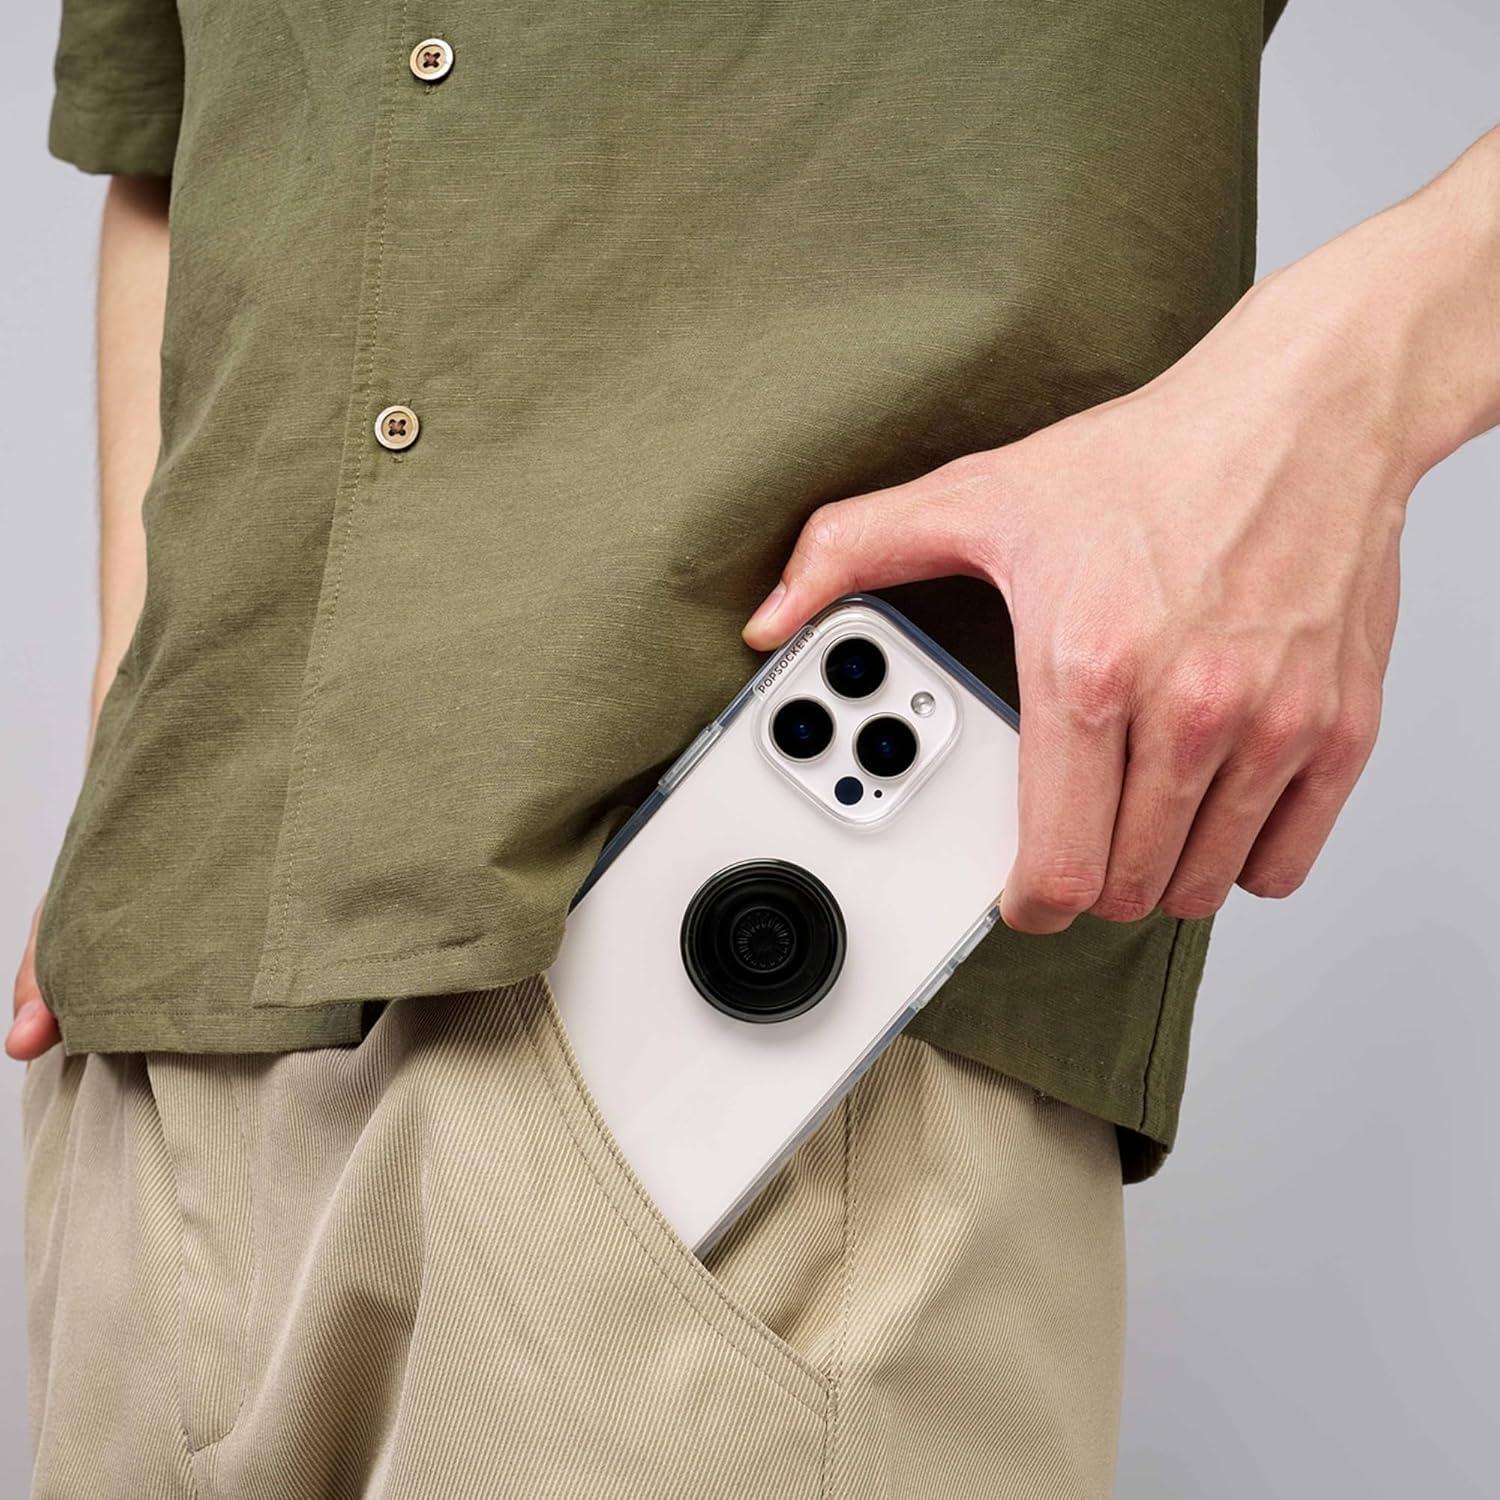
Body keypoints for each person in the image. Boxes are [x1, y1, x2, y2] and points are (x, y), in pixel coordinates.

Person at [12, 0, 1497, 1491]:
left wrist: (1347, 391)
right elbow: (168, 150)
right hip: (161, 1049)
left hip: (758, 1076)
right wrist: (132, 729)